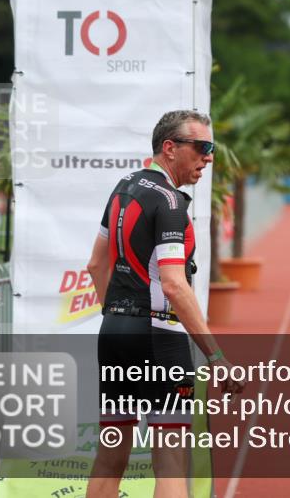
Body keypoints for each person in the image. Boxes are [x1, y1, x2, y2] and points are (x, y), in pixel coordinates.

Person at [85, 110, 244, 498]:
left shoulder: (124, 188)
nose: (208, 158)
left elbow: (94, 265)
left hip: (116, 333)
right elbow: (174, 284)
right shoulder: (171, 201)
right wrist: (216, 356)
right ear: (169, 148)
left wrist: (122, 315)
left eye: (212, 150)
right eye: (202, 148)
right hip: (161, 339)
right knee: (171, 463)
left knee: (110, 459)